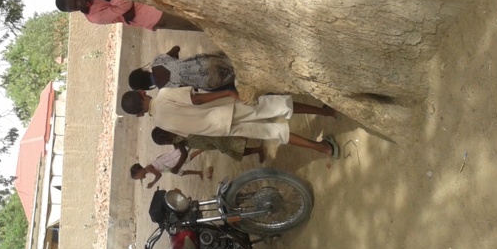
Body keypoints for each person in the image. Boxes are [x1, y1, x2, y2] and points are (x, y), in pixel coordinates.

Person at [121, 87, 341, 157]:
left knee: (273, 133)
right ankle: (327, 112)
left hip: (221, 129)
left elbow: (189, 133)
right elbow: (196, 99)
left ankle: (323, 148)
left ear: (139, 115)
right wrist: (227, 92)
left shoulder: (160, 123)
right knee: (274, 105)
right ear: (142, 93)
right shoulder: (163, 95)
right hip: (226, 108)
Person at [55, 0, 202, 31]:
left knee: (199, 5)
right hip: (152, 15)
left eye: (75, 0)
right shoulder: (94, 17)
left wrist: (125, 5)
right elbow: (125, 5)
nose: (79, 4)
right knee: (199, 23)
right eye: (74, 7)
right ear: (72, 12)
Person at [128, 45, 235, 91]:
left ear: (145, 88)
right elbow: (176, 48)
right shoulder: (157, 61)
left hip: (209, 80)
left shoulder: (165, 91)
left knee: (236, 76)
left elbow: (189, 91)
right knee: (233, 60)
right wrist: (176, 62)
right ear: (142, 70)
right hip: (206, 60)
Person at [152, 126, 267, 163]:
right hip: (213, 137)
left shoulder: (177, 141)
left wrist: (177, 167)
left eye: (165, 142)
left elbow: (184, 154)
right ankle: (260, 137)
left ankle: (259, 149)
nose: (167, 143)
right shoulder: (177, 130)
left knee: (236, 150)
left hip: (215, 141)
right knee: (237, 138)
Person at [130, 144, 211, 188]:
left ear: (138, 172)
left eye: (138, 177)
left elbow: (158, 175)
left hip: (171, 162)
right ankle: (199, 172)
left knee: (187, 157)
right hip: (169, 166)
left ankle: (205, 147)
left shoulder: (148, 169)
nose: (140, 178)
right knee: (182, 172)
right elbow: (158, 158)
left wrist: (152, 183)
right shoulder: (148, 168)